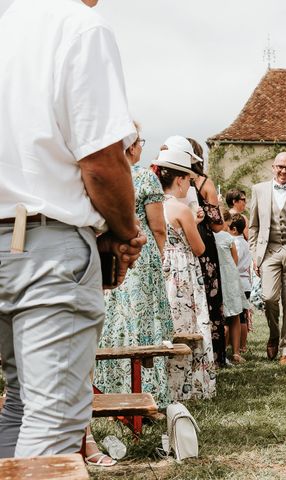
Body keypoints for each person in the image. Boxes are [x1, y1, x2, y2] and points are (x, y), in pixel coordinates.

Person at [0, 0, 145, 458]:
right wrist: (124, 231)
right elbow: (102, 163)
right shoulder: (79, 27)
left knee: (20, 403)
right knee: (56, 417)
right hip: (45, 244)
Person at [94, 124, 173, 410]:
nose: (142, 146)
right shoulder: (145, 179)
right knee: (142, 322)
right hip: (140, 252)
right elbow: (158, 228)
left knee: (114, 320)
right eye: (140, 141)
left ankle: (108, 385)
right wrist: (158, 258)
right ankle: (150, 391)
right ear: (131, 146)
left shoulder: (104, 178)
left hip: (108, 253)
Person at [154, 150, 216, 400]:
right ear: (179, 180)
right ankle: (190, 384)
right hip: (183, 270)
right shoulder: (181, 209)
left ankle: (165, 383)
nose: (190, 183)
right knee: (189, 323)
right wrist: (196, 223)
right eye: (189, 179)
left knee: (168, 324)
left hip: (163, 267)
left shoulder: (156, 204)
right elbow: (199, 248)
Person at [248, 152, 286, 364]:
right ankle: (274, 334)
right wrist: (254, 254)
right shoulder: (259, 189)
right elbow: (253, 226)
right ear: (273, 167)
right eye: (280, 166)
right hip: (268, 251)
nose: (283, 171)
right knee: (269, 297)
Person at [186, 138, 227, 367]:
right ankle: (214, 356)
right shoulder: (204, 183)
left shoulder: (171, 181)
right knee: (210, 297)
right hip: (203, 240)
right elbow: (218, 224)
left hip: (182, 240)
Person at [215, 211, 246, 364]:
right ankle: (236, 353)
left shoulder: (210, 237)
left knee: (222, 317)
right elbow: (235, 259)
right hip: (230, 278)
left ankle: (222, 353)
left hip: (217, 278)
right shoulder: (228, 238)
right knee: (235, 316)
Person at [229, 213, 252, 355]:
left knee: (236, 316)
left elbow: (233, 262)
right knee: (243, 316)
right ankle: (243, 346)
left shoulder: (235, 243)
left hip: (237, 281)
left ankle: (237, 346)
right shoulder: (246, 242)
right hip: (246, 282)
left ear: (234, 230)